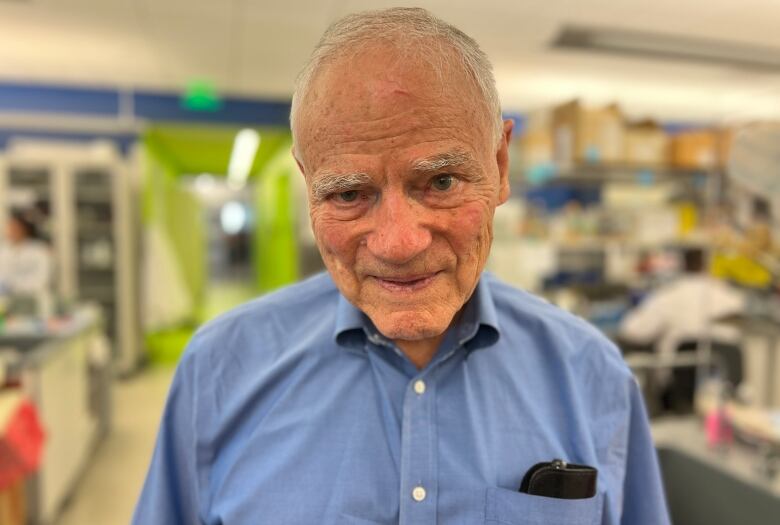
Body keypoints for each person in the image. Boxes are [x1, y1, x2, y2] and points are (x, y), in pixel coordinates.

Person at [134, 8, 669, 524]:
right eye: (347, 192)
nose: (398, 242)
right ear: (307, 182)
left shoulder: (594, 379)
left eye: (440, 182)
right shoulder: (219, 371)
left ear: (500, 165)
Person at [620, 248, 745, 410]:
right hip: (723, 397)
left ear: (682, 265)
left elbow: (632, 330)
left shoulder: (668, 296)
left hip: (677, 393)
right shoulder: (732, 298)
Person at [0, 209, 52, 297]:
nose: (11, 231)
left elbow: (42, 280)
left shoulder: (39, 250)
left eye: (15, 228)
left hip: (33, 298)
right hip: (6, 298)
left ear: (24, 229)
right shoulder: (4, 250)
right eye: (10, 227)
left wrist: (15, 287)